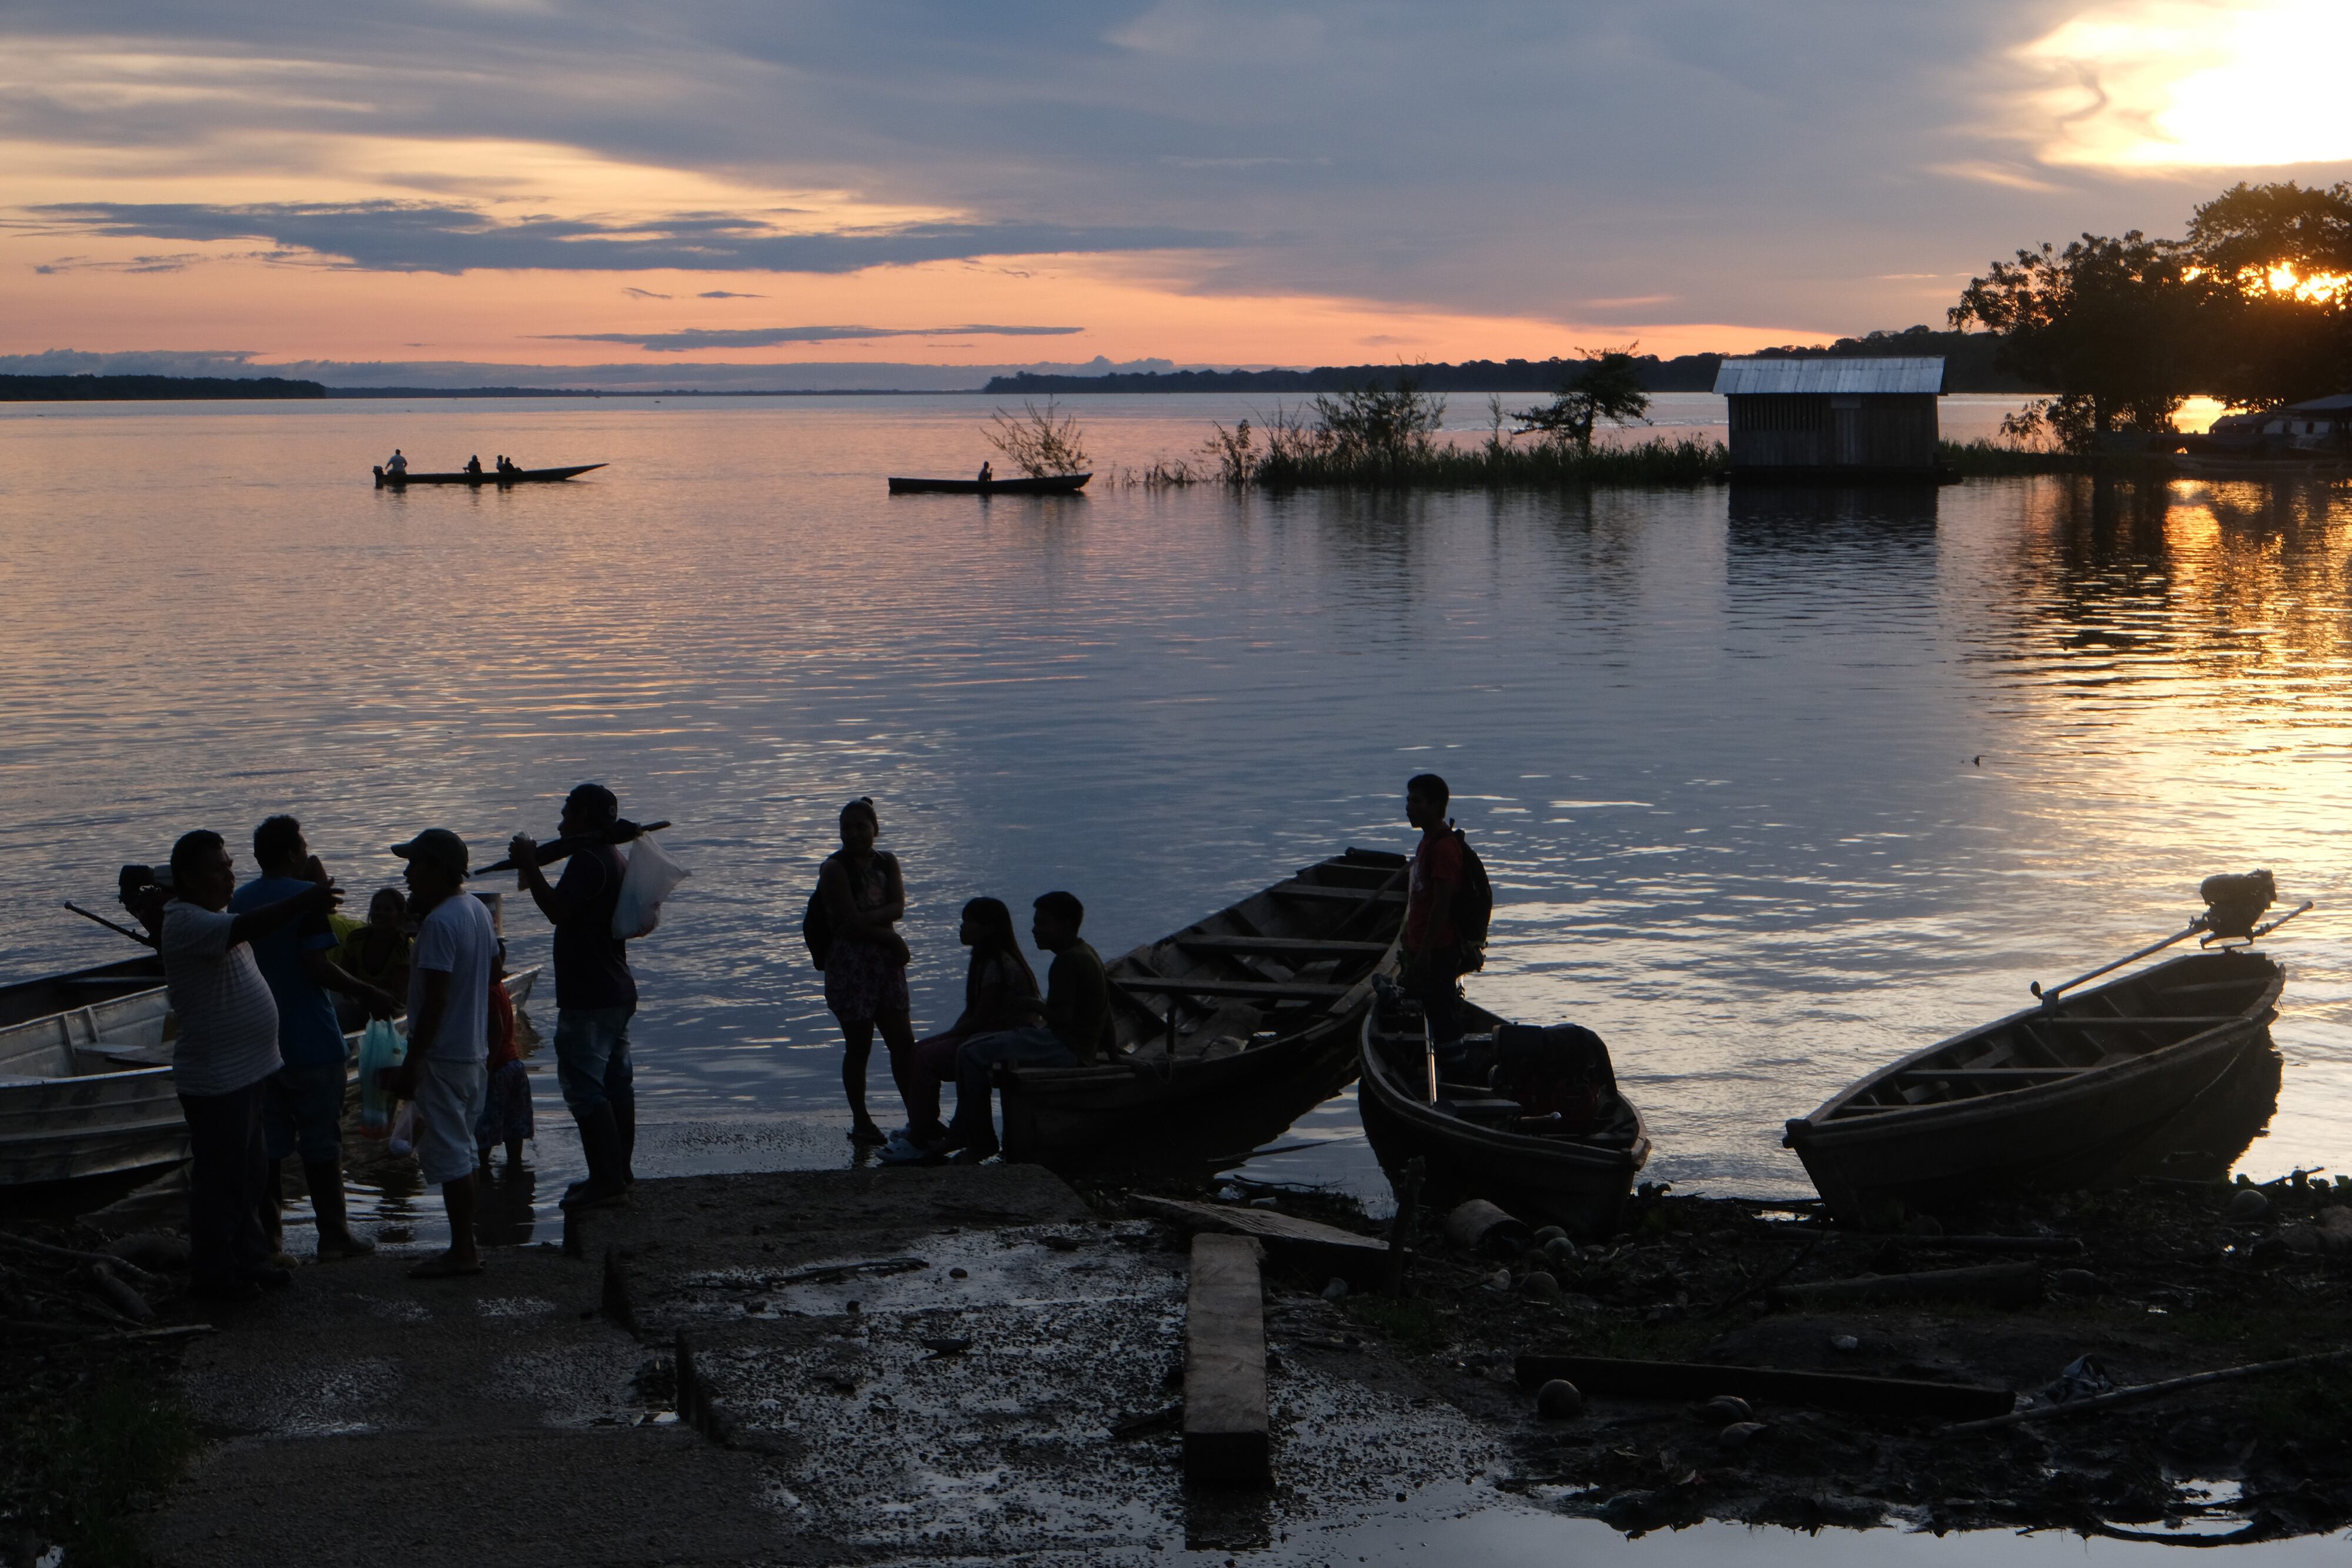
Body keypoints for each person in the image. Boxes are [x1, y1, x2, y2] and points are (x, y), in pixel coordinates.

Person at [159, 829, 342, 1302]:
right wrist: (305, 900)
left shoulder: (209, 916)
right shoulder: (185, 922)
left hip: (250, 1069)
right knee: (222, 1180)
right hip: (218, 1078)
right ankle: (216, 1276)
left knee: (252, 1174)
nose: (228, 875)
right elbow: (250, 927)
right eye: (216, 868)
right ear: (186, 878)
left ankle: (252, 1260)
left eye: (229, 864)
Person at [230, 816, 398, 1263]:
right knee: (322, 1142)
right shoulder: (306, 900)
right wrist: (369, 992)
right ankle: (334, 1236)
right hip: (311, 1041)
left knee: (268, 1145)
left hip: (258, 1045)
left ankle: (270, 1242)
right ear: (290, 853)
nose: (306, 852)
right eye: (302, 846)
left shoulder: (241, 900)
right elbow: (317, 965)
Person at [507, 783, 637, 1209]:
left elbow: (558, 912)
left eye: (566, 814)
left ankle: (607, 1180)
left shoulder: (587, 860)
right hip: (615, 988)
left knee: (585, 1088)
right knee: (615, 1083)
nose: (560, 823)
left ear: (582, 816)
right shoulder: (612, 857)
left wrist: (530, 863)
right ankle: (618, 1172)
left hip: (590, 993)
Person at [378, 828, 499, 1279]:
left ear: (436, 868)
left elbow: (434, 1002)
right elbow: (493, 971)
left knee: (450, 1155)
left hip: (444, 1055)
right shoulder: (476, 911)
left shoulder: (439, 923)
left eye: (414, 864)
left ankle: (463, 1251)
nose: (407, 874)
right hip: (472, 1051)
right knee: (463, 1151)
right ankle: (466, 1244)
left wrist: (412, 1063)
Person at [940, 891, 1114, 1162]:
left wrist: (1030, 1004)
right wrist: (1113, 1053)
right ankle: (964, 1132)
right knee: (979, 1044)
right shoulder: (1087, 951)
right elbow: (1106, 1011)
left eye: (1042, 923)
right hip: (1077, 1046)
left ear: (1066, 925)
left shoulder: (1067, 961)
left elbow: (1061, 1020)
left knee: (969, 1052)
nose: (1034, 930)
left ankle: (980, 1141)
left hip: (1064, 1047)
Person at [882, 898, 1042, 1160]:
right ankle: (927, 1127)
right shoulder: (985, 960)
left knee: (925, 1056)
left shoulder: (997, 964)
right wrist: (945, 1036)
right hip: (991, 1035)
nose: (961, 928)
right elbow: (973, 1015)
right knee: (920, 1050)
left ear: (988, 928)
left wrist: (944, 1038)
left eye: (968, 922)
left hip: (1002, 1039)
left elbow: (980, 1019)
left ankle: (921, 1136)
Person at [816, 797, 915, 1145]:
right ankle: (861, 1121)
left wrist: (871, 926)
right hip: (851, 965)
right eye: (847, 827)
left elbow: (897, 906)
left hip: (885, 961)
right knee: (859, 1046)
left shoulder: (887, 862)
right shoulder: (834, 869)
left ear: (876, 828)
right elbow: (846, 924)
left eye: (861, 826)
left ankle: (919, 1118)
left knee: (903, 1043)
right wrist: (890, 937)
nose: (854, 834)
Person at [1402, 772, 1468, 1058]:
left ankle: (1457, 1073)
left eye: (1416, 802)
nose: (1408, 808)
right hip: (1423, 947)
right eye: (1408, 801)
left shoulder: (1443, 848)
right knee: (1434, 1008)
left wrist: (1425, 953)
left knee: (1443, 1016)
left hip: (1438, 950)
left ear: (1435, 805)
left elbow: (1442, 904)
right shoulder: (1427, 841)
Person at [475, 941, 533, 1169]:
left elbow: (495, 1029)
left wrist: (486, 1067)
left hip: (498, 1067)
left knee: (485, 1124)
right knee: (514, 1122)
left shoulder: (488, 991)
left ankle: (482, 1169)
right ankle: (516, 1165)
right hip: (515, 1064)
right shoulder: (500, 988)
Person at [334, 887, 412, 1028]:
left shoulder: (405, 947)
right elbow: (344, 977)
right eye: (376, 908)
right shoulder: (355, 939)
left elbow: (398, 994)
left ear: (400, 916)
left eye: (388, 910)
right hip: (358, 1000)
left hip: (392, 1007)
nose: (380, 913)